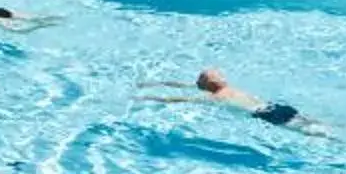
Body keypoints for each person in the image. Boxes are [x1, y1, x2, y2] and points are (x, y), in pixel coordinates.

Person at [141, 68, 330, 136]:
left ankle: (339, 140)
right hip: (276, 106)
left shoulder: (216, 98)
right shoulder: (227, 88)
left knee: (310, 132)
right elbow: (186, 86)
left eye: (199, 79)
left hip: (267, 115)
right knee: (313, 122)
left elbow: (181, 99)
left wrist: (152, 97)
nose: (196, 82)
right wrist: (158, 83)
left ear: (207, 86)